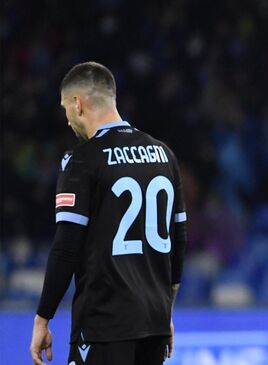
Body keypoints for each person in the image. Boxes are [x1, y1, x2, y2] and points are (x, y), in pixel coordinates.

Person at [29, 61, 188, 365]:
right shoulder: (164, 155)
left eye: (65, 108)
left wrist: (42, 319)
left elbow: (66, 246)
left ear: (78, 104)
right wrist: (165, 310)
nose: (67, 120)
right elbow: (179, 239)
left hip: (104, 323)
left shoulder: (82, 160)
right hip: (153, 323)